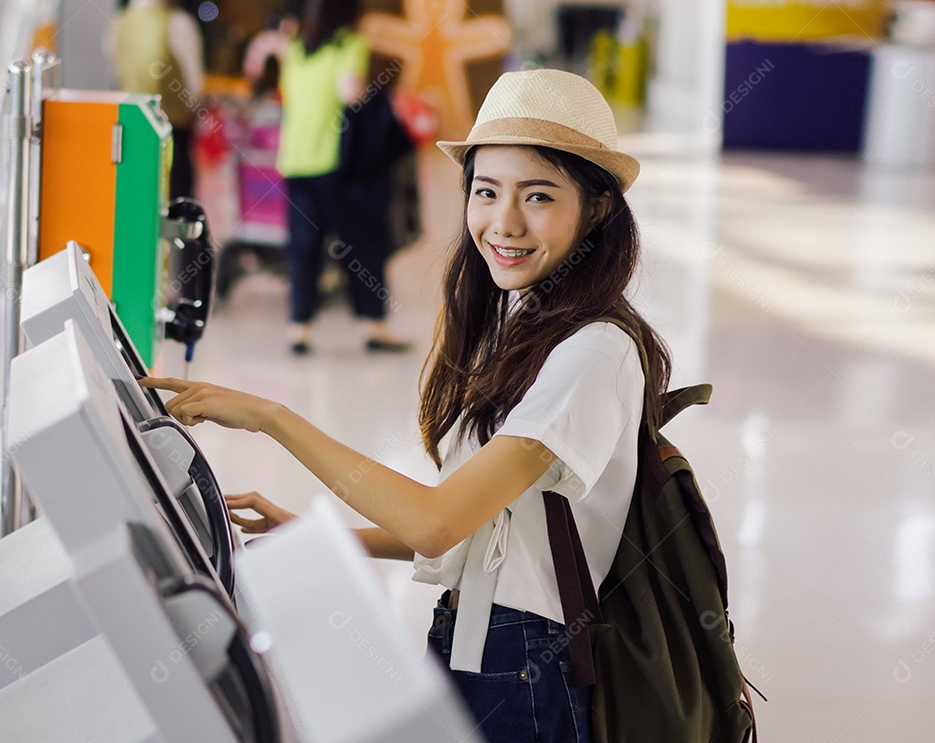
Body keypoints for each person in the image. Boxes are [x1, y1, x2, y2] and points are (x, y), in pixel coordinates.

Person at [141, 69, 672, 742]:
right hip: (477, 648)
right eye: (486, 191)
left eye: (538, 196)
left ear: (597, 208)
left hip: (528, 672)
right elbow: (480, 530)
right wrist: (320, 538)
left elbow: (436, 523)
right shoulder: (534, 321)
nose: (503, 222)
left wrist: (274, 418)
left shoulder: (595, 352)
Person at [242, 0, 408, 355]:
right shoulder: (350, 44)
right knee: (358, 246)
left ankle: (298, 329)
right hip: (334, 162)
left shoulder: (297, 48)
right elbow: (350, 93)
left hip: (295, 160)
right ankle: (373, 326)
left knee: (303, 248)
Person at [112, 0, 205, 200]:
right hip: (172, 133)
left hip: (130, 132)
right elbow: (195, 87)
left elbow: (116, 72)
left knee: (136, 201)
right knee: (173, 205)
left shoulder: (119, 22)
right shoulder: (178, 22)